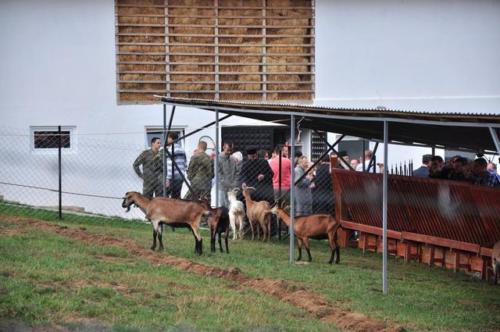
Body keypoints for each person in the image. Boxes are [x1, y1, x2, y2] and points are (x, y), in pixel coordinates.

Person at [164, 132, 186, 199]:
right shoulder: (182, 149)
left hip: (173, 177)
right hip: (181, 175)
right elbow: (185, 163)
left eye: (167, 138)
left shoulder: (171, 150)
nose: (166, 140)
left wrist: (168, 178)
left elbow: (170, 165)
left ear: (171, 138)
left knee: (168, 197)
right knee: (177, 196)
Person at [218, 142, 239, 207]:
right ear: (223, 148)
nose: (230, 152)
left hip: (233, 187)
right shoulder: (218, 159)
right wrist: (226, 183)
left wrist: (235, 183)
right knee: (224, 205)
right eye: (228, 150)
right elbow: (218, 173)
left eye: (231, 150)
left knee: (232, 206)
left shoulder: (233, 159)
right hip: (223, 187)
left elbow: (237, 172)